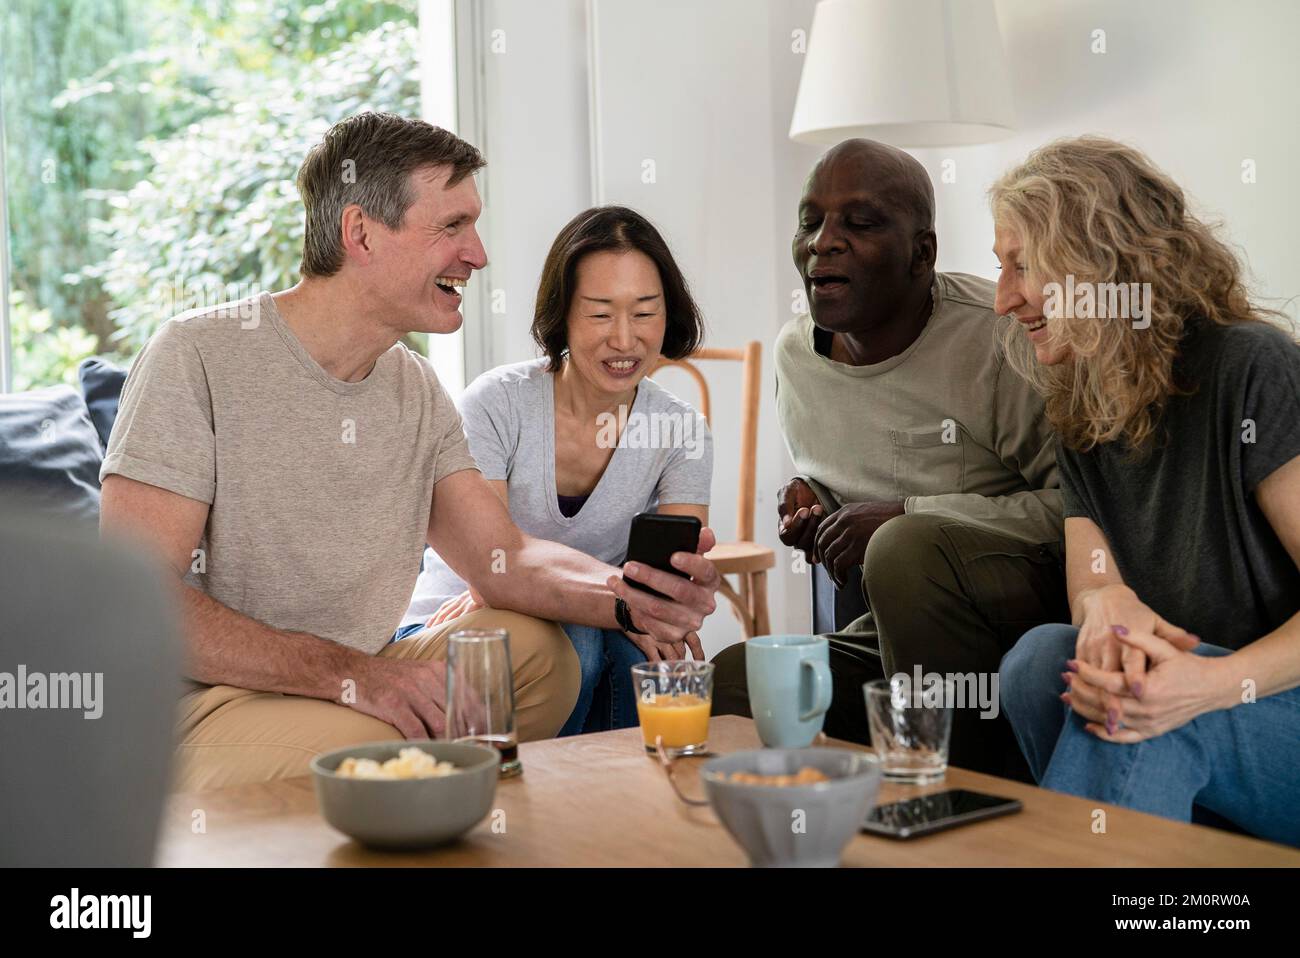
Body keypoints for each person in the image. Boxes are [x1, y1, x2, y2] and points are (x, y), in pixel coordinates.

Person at [98, 112, 720, 792]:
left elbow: (502, 560)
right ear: (361, 233)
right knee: (399, 738)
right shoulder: (197, 356)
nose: (478, 254)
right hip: (213, 703)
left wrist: (632, 598)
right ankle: (407, 765)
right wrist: (355, 677)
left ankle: (435, 772)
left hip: (366, 672)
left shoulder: (414, 384)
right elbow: (134, 604)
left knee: (542, 654)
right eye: (452, 227)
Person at [710, 139, 1067, 780]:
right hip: (892, 630)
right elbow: (837, 479)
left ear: (922, 254)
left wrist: (908, 517)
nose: (823, 242)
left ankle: (963, 801)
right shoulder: (797, 356)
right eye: (810, 222)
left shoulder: (1001, 337)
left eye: (860, 223)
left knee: (904, 549)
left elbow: (1077, 509)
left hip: (1011, 613)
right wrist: (811, 505)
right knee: (739, 681)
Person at [994, 136, 1300, 847]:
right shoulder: (1081, 401)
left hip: (1276, 708)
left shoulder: (1252, 370)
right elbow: (1091, 575)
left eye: (1023, 265)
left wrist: (1209, 685)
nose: (1004, 298)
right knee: (1043, 662)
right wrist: (1107, 603)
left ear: (1097, 261)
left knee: (1142, 706)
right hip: (1204, 703)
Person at [400, 206, 713, 734]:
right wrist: (622, 601)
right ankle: (544, 802)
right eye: (598, 313)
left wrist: (663, 608)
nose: (623, 339)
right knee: (582, 643)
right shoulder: (497, 403)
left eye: (644, 312)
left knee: (650, 662)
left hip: (596, 618)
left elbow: (666, 585)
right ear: (562, 314)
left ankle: (619, 806)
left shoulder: (681, 430)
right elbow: (493, 569)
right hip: (454, 619)